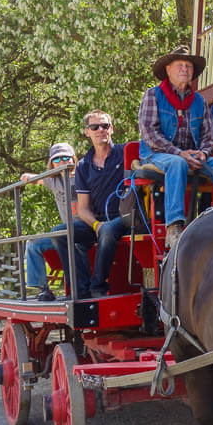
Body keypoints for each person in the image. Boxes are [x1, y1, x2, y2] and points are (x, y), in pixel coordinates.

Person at [138, 45, 213, 248]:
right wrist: (180, 153)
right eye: (180, 65)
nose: (185, 69)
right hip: (158, 154)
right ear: (168, 69)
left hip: (192, 155)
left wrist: (203, 153)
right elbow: (149, 133)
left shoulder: (199, 100)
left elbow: (208, 134)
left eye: (188, 66)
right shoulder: (153, 95)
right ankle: (174, 227)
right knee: (177, 163)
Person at [20, 142, 92, 301]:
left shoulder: (84, 175)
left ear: (73, 159)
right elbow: (33, 179)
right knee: (33, 243)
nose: (62, 162)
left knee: (75, 243)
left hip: (86, 228)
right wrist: (27, 177)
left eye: (66, 157)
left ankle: (83, 288)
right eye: (57, 159)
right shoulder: (53, 181)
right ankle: (43, 288)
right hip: (64, 233)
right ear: (51, 164)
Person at [74, 110, 127, 298]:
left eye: (104, 126)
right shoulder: (83, 165)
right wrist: (96, 224)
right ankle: (81, 289)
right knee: (61, 233)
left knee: (107, 230)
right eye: (94, 127)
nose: (100, 130)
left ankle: (98, 288)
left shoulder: (126, 153)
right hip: (98, 221)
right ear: (87, 132)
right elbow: (82, 209)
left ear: (111, 129)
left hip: (127, 218)